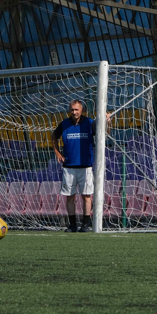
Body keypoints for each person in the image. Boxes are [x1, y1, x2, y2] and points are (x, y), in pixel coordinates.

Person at [52, 100, 98, 233]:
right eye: (72, 109)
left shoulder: (90, 123)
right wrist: (57, 152)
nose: (74, 112)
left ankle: (85, 225)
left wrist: (108, 122)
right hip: (69, 167)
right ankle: (72, 225)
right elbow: (54, 136)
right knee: (70, 196)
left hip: (86, 166)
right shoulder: (65, 124)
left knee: (86, 196)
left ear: (82, 110)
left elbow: (104, 134)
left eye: (77, 109)